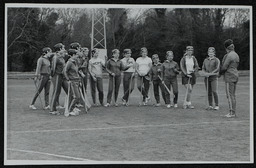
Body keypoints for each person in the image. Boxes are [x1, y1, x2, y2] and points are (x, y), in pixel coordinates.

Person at [220, 39, 239, 118]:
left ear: (226, 48)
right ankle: (233, 112)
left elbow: (224, 67)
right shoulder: (236, 54)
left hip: (229, 76)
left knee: (229, 95)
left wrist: (220, 73)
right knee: (233, 95)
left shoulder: (229, 55)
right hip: (235, 75)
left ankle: (232, 113)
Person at [49, 43, 68, 115]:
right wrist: (52, 76)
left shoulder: (61, 57)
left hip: (61, 76)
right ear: (59, 49)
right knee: (56, 92)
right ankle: (52, 109)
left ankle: (54, 108)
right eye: (62, 47)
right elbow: (53, 68)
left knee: (58, 92)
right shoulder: (55, 57)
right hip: (57, 76)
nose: (64, 49)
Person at [63, 49, 81, 116]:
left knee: (77, 97)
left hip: (77, 80)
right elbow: (65, 71)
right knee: (76, 96)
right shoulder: (69, 62)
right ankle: (70, 110)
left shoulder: (75, 62)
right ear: (73, 55)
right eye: (76, 54)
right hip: (72, 81)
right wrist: (68, 79)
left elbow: (76, 71)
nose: (77, 56)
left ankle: (72, 108)